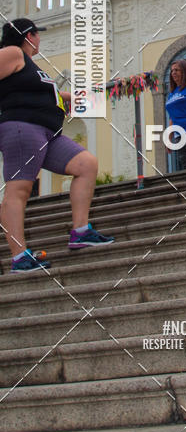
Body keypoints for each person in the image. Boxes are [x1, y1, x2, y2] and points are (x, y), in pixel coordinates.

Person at [0, 18, 114, 273]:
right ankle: (20, 256)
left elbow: (45, 93)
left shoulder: (31, 66)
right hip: (22, 127)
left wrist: (75, 97)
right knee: (18, 191)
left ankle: (80, 231)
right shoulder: (13, 52)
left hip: (48, 133)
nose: (39, 39)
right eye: (37, 35)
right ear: (29, 36)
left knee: (86, 164)